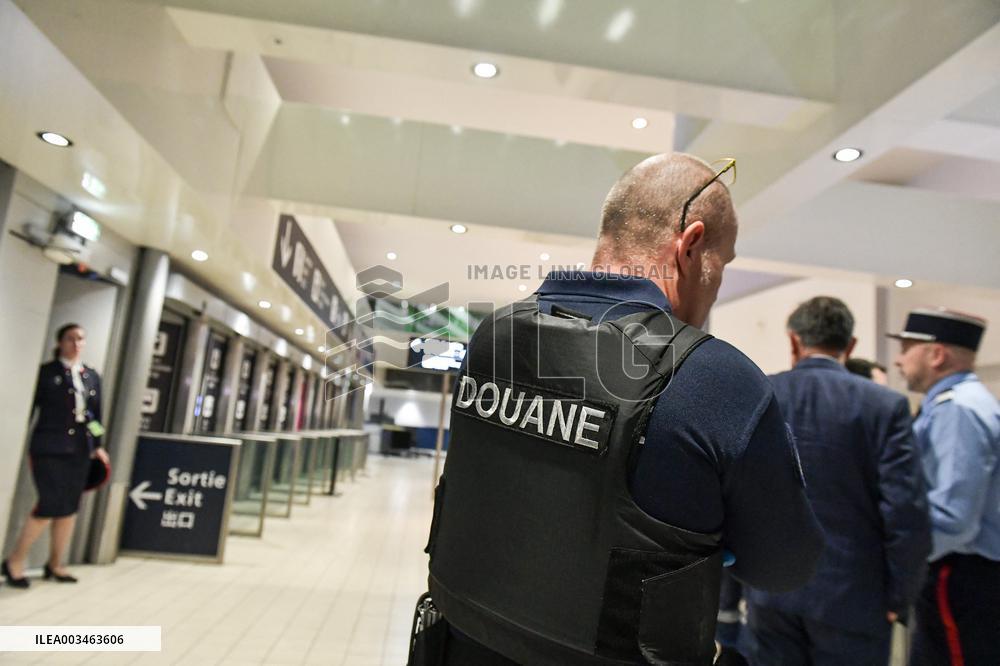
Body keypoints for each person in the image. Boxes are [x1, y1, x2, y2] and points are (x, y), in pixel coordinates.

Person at [420, 153, 823, 665]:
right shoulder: (716, 381)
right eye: (726, 260)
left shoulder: (494, 336)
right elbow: (784, 567)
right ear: (691, 245)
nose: (719, 281)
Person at [745, 296, 931, 666]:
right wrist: (899, 597)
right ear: (851, 346)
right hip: (855, 597)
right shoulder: (884, 406)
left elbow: (739, 494)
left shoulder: (760, 394)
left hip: (771, 593)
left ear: (794, 341)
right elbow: (905, 513)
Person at [889, 308, 1000, 666]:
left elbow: (953, 518)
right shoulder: (957, 403)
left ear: (937, 354)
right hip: (962, 569)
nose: (898, 359)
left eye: (907, 347)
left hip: (959, 570)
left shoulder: (958, 411)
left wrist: (902, 564)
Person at [2, 323, 110, 588]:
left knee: (69, 507)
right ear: (60, 341)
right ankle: (15, 561)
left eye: (81, 339)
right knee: (49, 503)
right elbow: (30, 409)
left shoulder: (91, 376)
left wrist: (97, 444)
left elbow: (95, 415)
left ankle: (56, 564)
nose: (76, 344)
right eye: (71, 338)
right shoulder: (46, 374)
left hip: (80, 450)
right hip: (49, 448)